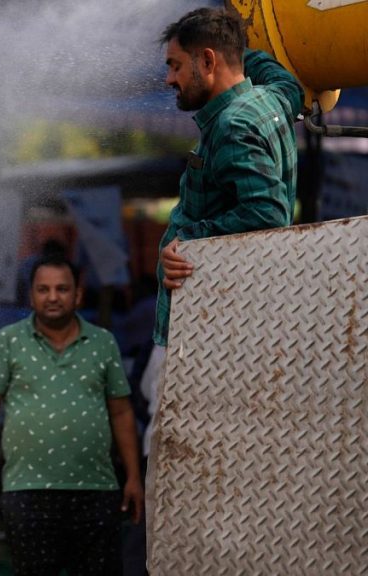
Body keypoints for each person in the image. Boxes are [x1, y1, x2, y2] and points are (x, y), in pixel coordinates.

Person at [147, 6, 304, 557]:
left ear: (207, 62)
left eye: (175, 65)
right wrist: (240, 29)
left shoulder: (234, 124)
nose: (168, 79)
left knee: (180, 485)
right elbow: (286, 79)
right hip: (235, 334)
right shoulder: (272, 98)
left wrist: (184, 247)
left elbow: (267, 217)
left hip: (201, 339)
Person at [0, 254, 143, 576]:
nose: (52, 297)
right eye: (43, 289)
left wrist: (133, 477)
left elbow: (121, 412)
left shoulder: (103, 342)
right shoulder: (8, 340)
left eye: (62, 289)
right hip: (27, 490)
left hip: (96, 490)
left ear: (77, 294)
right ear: (31, 295)